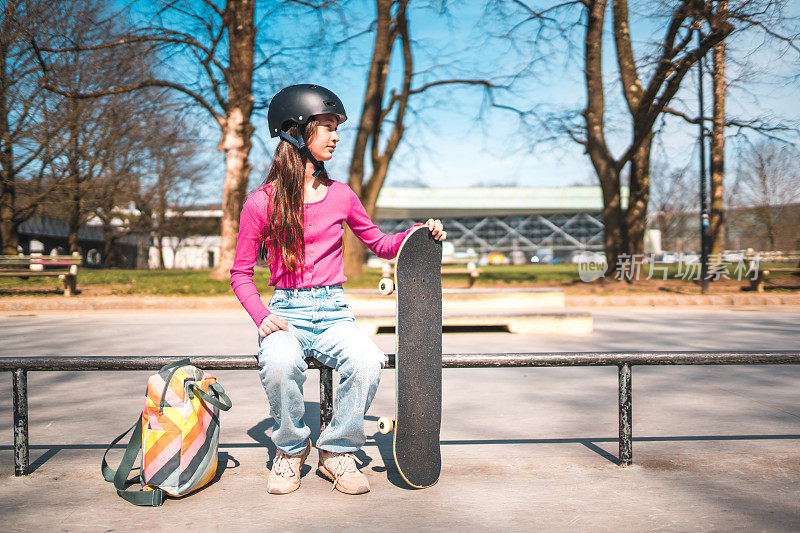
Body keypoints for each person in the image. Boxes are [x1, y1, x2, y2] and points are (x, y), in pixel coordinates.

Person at [230, 84, 446, 495]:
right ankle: (290, 451)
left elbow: (381, 244)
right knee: (279, 365)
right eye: (327, 126)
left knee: (368, 360)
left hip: (333, 313)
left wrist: (419, 233)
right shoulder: (261, 203)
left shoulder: (341, 195)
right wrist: (262, 316)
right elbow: (240, 273)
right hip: (286, 314)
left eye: (336, 127)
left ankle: (337, 451)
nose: (335, 136)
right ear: (295, 131)